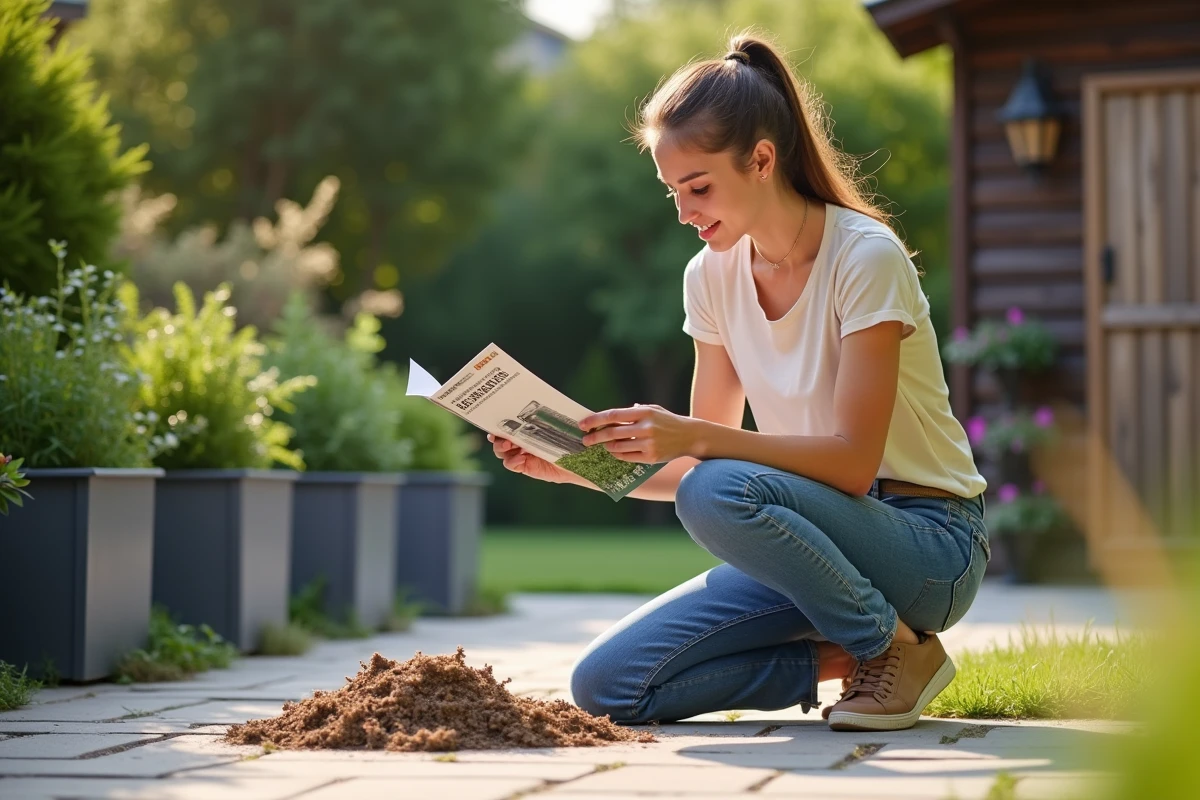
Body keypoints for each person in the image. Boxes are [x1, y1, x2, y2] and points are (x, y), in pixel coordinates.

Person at [485, 30, 989, 733]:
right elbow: (700, 471)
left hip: (927, 543)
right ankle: (852, 655)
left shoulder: (865, 258)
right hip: (806, 545)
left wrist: (695, 437)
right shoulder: (712, 277)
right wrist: (577, 466)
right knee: (608, 685)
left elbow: (849, 465)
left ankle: (895, 650)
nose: (684, 212)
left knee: (717, 481)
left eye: (698, 187)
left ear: (761, 160)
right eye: (672, 191)